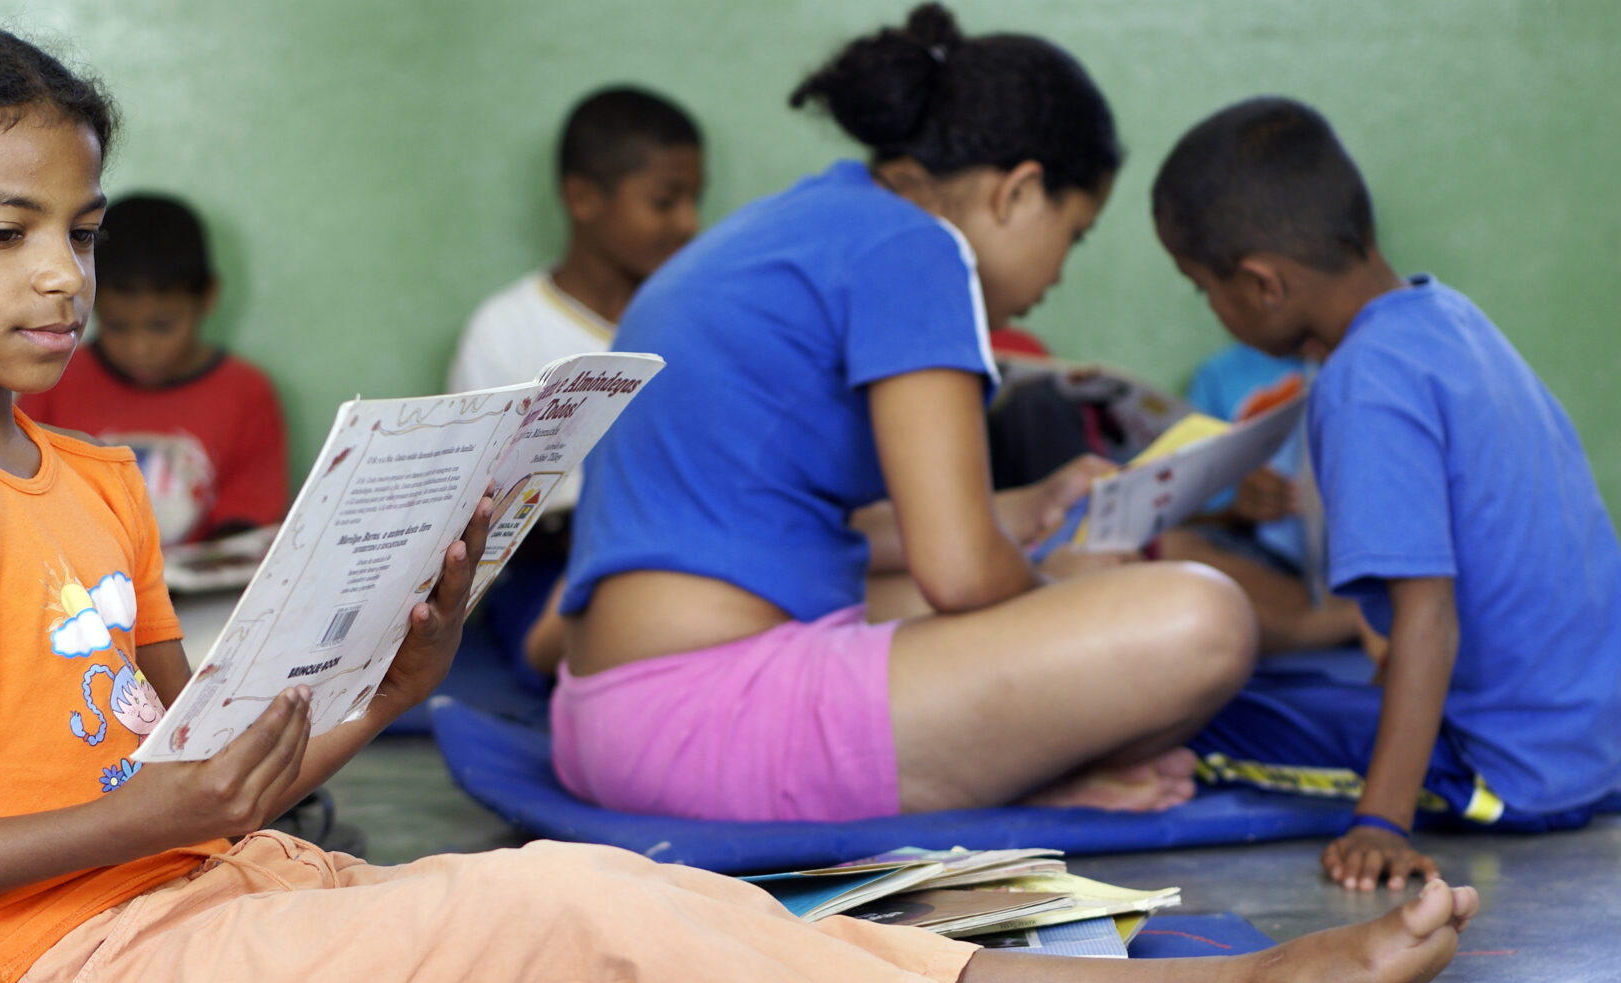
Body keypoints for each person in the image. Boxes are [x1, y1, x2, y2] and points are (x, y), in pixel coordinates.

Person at [0, 12, 1476, 983]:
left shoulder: (80, 481)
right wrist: (164, 808)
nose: (65, 274)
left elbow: (199, 766)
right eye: (9, 233)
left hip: (211, 894)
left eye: (79, 225)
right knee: (588, 926)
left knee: (655, 903)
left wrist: (388, 691)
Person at [557, 5, 1256, 825]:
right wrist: (1054, 606)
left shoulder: (801, 224)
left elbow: (792, 521)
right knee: (1203, 616)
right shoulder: (918, 246)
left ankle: (1011, 772)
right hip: (712, 717)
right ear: (1020, 190)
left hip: (602, 712)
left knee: (1083, 582)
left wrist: (1023, 512)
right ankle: (1015, 777)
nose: (1061, 272)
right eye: (1075, 233)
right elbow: (958, 572)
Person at [1153, 97, 1621, 891]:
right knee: (1279, 691)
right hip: (1590, 740)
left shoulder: (1362, 381)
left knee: (1182, 722)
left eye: (1203, 287)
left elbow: (1427, 617)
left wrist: (1381, 820)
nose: (1211, 307)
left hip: (1505, 773)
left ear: (1263, 282)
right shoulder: (1450, 316)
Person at [448, 86, 705, 681]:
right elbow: (481, 506)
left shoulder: (696, 320)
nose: (689, 223)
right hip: (548, 566)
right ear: (583, 198)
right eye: (666, 202)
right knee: (614, 616)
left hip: (683, 544)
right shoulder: (506, 331)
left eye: (695, 199)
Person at [19, 193, 288, 545]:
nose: (140, 348)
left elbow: (249, 520)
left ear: (207, 297)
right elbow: (21, 496)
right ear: (87, 297)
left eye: (161, 326)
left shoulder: (246, 392)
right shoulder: (53, 379)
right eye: (117, 326)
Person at [1154, 342, 1367, 654]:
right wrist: (1236, 512)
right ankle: (1344, 620)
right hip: (1269, 565)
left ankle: (1340, 618)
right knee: (1165, 550)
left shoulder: (1374, 370)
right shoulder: (1221, 375)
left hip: (1366, 565)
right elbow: (1184, 511)